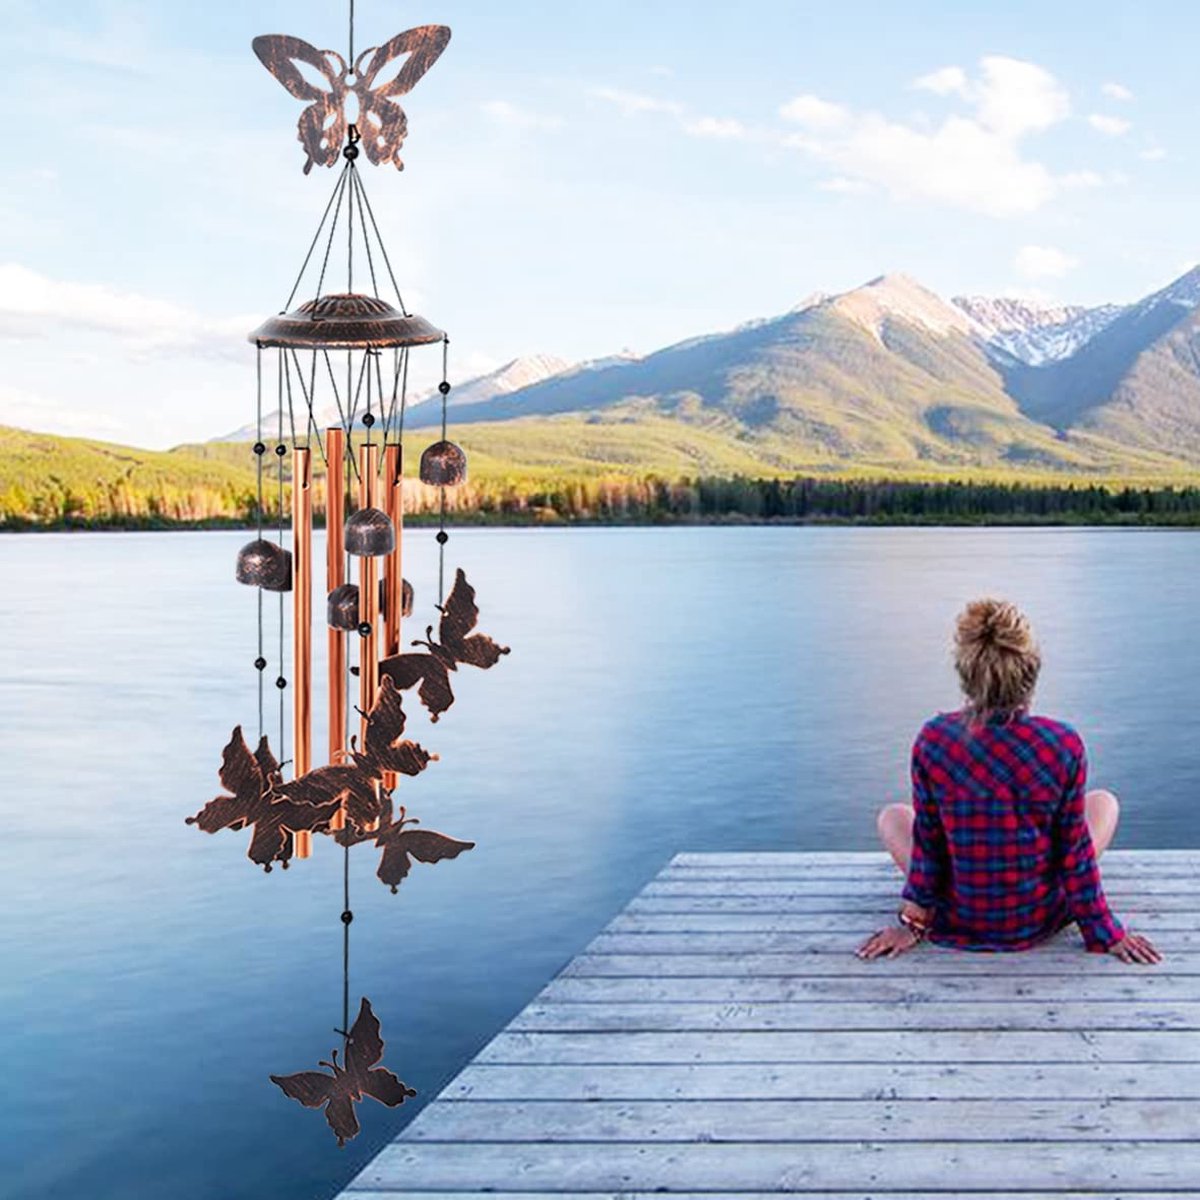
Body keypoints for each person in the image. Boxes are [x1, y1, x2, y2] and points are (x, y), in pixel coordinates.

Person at [858, 598, 1161, 965]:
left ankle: (942, 907)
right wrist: (1105, 932)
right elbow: (1075, 852)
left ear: (966, 675)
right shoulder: (1062, 744)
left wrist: (913, 924)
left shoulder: (933, 739)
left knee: (893, 816)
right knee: (1104, 803)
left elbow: (929, 843)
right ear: (1031, 672)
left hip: (959, 914)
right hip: (1035, 918)